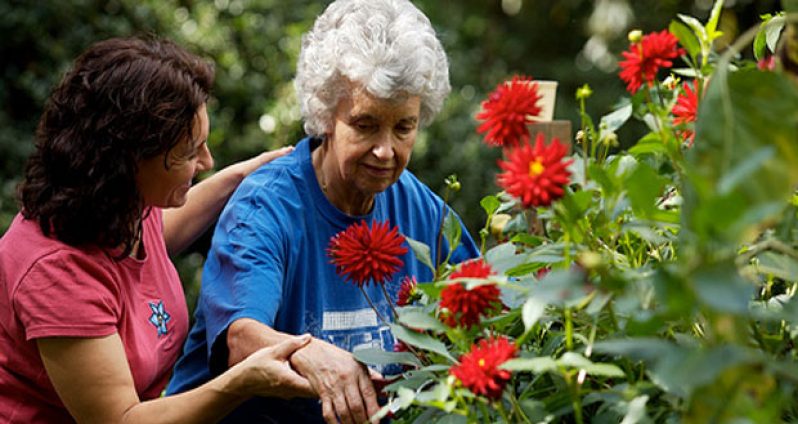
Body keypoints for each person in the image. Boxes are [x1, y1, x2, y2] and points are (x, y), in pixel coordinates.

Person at [166, 0, 480, 423]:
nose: (386, 150)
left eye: (404, 127)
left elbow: (485, 306)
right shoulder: (266, 208)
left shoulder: (421, 209)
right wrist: (309, 353)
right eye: (365, 124)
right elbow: (240, 339)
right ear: (326, 114)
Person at [0, 36, 316, 423]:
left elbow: (158, 234)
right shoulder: (57, 272)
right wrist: (239, 383)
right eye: (188, 152)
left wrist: (247, 174)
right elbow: (122, 419)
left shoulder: (122, 208)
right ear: (129, 158)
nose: (207, 161)